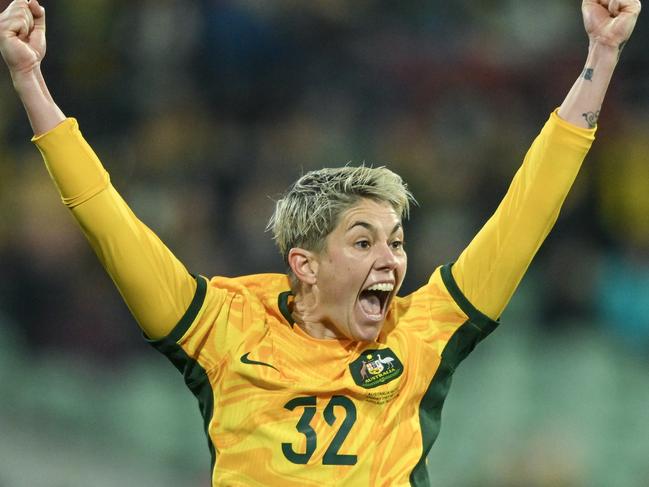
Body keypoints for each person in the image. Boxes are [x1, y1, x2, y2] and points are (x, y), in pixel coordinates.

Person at [0, 0, 641, 485]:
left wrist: (601, 58)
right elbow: (107, 218)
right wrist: (31, 80)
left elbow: (526, 211)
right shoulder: (220, 328)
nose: (391, 259)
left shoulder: (425, 332)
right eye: (364, 242)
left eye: (395, 241)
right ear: (303, 264)